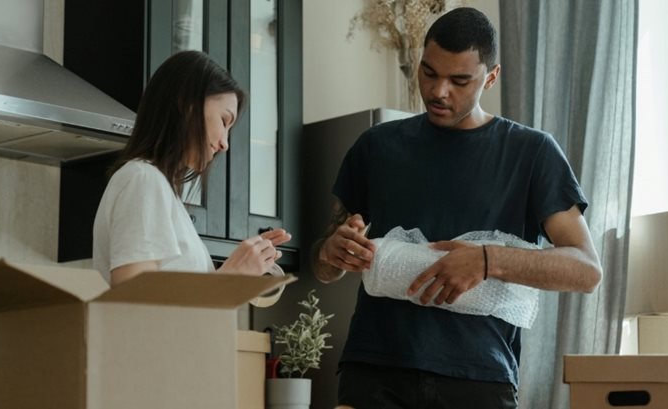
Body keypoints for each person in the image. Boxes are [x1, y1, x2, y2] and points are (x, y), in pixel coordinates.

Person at [312, 7, 602, 409]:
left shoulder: (532, 153)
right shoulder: (375, 147)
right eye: (429, 73)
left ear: (492, 76)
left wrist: (487, 261)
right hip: (374, 373)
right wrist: (332, 252)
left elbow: (586, 270)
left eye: (459, 80)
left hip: (479, 378)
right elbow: (324, 267)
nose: (438, 91)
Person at [93, 50, 290, 286]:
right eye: (224, 121)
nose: (225, 144)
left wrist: (243, 267)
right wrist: (231, 277)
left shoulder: (161, 190)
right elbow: (133, 304)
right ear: (187, 105)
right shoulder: (143, 179)